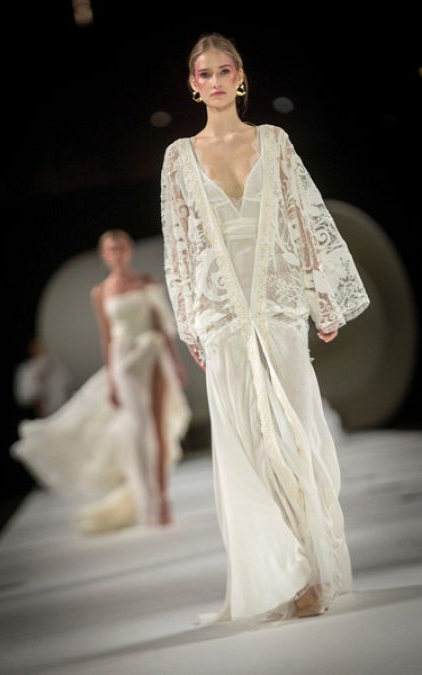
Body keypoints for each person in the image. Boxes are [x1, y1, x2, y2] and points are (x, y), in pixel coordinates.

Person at [160, 33, 370, 623]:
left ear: (241, 77)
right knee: (248, 441)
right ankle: (290, 572)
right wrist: (191, 323)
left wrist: (322, 298)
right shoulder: (178, 157)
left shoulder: (273, 141)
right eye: (205, 73)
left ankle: (313, 564)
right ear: (193, 84)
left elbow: (305, 217)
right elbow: (180, 244)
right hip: (221, 312)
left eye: (224, 70)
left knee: (299, 430)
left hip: (277, 301)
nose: (215, 81)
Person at [11, 230, 191, 532]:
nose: (116, 253)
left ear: (129, 250)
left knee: (158, 428)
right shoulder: (101, 292)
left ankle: (161, 497)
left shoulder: (146, 282)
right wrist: (111, 377)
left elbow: (162, 324)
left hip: (154, 354)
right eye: (110, 249)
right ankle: (146, 497)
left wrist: (175, 362)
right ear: (104, 255)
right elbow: (106, 337)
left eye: (120, 247)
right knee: (138, 427)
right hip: (124, 359)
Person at [13, 337, 73, 418]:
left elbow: (67, 382)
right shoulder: (26, 369)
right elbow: (27, 395)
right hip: (43, 413)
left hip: (62, 409)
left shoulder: (55, 364)